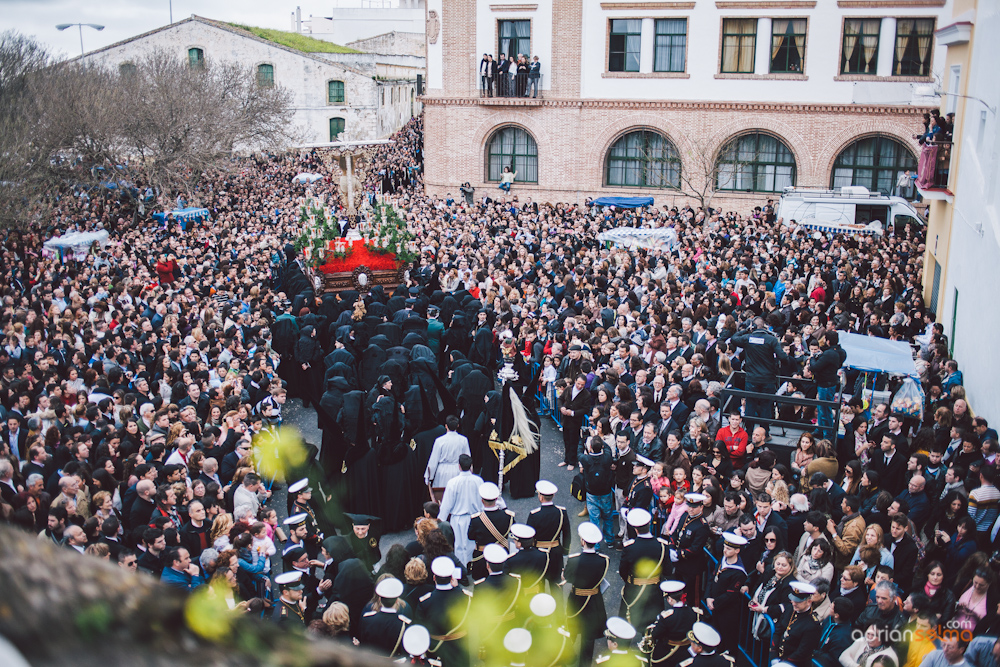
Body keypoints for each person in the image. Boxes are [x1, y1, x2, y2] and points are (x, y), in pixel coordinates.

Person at [730, 314, 789, 435]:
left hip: (752, 378)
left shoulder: (748, 337)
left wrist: (746, 329)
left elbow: (734, 338)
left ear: (753, 326)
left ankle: (749, 430)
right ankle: (765, 431)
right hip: (768, 378)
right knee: (766, 405)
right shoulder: (771, 339)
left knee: (750, 404)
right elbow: (783, 357)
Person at [562, 522, 610, 667]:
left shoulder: (574, 559)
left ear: (582, 541)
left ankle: (567, 656)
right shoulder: (604, 560)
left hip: (576, 599)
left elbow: (567, 578)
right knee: (588, 637)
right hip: (594, 600)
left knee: (572, 628)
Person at [619, 508, 668, 629]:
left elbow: (623, 571)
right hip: (654, 591)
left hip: (633, 590)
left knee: (627, 624)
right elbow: (667, 570)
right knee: (653, 625)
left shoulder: (630, 547)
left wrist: (631, 581)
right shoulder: (662, 546)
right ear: (649, 524)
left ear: (635, 529)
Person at [705, 532, 748, 655]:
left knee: (728, 637)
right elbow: (712, 579)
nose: (725, 551)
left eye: (729, 549)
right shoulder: (722, 560)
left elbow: (731, 594)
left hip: (727, 611)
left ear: (737, 551)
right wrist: (708, 597)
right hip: (715, 605)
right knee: (716, 633)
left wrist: (715, 603)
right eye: (725, 547)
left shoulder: (738, 572)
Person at [438, 454, 484, 567]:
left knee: (459, 545)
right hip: (475, 516)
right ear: (471, 466)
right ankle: (472, 565)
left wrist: (440, 519)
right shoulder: (478, 480)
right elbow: (482, 500)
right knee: (472, 543)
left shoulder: (452, 482)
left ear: (459, 466)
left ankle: (462, 569)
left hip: (458, 518)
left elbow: (447, 504)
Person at [467, 481, 515, 580]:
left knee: (481, 586)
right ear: (497, 499)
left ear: (482, 501)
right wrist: (505, 508)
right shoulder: (508, 516)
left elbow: (470, 536)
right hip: (501, 553)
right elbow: (514, 529)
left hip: (482, 556)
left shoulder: (476, 519)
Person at [527, 480, 570, 585]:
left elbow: (528, 537)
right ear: (553, 496)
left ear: (541, 497)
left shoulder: (534, 515)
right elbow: (567, 534)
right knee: (556, 585)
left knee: (538, 584)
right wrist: (565, 551)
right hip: (556, 552)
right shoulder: (561, 512)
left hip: (538, 553)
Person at [358, 577, 412, 658]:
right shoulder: (404, 624)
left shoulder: (367, 619)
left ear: (379, 599)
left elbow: (364, 646)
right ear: (397, 600)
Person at [771, 581, 821, 667]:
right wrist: (773, 654)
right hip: (779, 659)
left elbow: (802, 652)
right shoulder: (790, 609)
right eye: (793, 600)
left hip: (794, 663)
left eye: (798, 601)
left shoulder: (812, 625)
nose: (794, 603)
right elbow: (778, 630)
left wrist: (783, 662)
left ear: (809, 601)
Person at [425, 415, 471, 495]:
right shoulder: (463, 440)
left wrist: (428, 476)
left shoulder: (440, 441)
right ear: (458, 425)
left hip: (442, 472)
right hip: (458, 471)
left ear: (446, 426)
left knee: (442, 496)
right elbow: (467, 458)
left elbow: (433, 460)